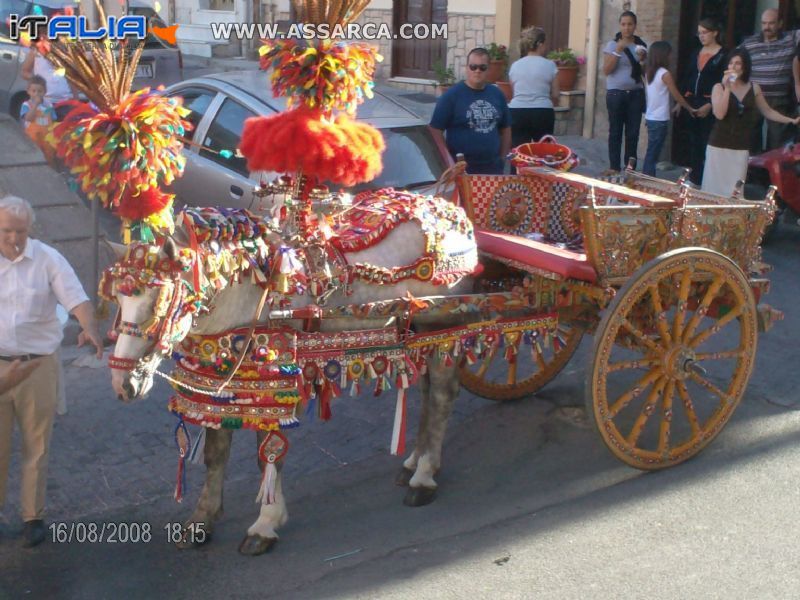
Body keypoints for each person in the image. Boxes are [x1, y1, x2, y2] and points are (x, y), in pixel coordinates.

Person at [0, 195, 103, 547]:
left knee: (36, 444)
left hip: (38, 365)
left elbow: (76, 298)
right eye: (7, 231)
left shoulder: (47, 258)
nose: (14, 239)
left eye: (21, 232)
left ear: (31, 230)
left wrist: (89, 326)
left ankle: (33, 516)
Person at [702, 49, 800, 196]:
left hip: (740, 145)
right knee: (713, 188)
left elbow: (767, 111)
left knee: (735, 190)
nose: (734, 67)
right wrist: (727, 88)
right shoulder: (719, 87)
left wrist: (791, 120)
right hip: (719, 144)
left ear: (745, 66)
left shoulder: (753, 87)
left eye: (738, 63)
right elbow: (720, 114)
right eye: (731, 63)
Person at [430, 47, 511, 174]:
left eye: (482, 67)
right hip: (462, 170)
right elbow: (435, 129)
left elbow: (506, 128)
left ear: (488, 69)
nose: (477, 71)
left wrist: (502, 158)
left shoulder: (497, 94)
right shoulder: (451, 96)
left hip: (493, 169)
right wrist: (448, 161)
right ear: (467, 68)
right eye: (473, 67)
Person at [739, 8, 800, 153]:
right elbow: (735, 62)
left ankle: (774, 175)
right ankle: (752, 174)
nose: (767, 27)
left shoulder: (791, 38)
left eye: (771, 23)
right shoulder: (749, 43)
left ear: (780, 23)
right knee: (750, 140)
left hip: (778, 100)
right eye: (764, 23)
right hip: (754, 98)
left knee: (778, 142)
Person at [676, 19, 727, 185]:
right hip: (692, 103)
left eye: (705, 32)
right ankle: (695, 178)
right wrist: (681, 101)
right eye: (699, 33)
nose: (701, 36)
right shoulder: (695, 53)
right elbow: (687, 77)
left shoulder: (723, 55)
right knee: (693, 142)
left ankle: (709, 180)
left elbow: (726, 82)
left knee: (708, 143)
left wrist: (711, 104)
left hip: (710, 102)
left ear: (715, 33)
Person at [642, 41, 696, 177]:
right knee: (653, 152)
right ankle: (647, 178)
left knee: (652, 150)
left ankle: (647, 176)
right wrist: (689, 108)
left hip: (651, 116)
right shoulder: (665, 74)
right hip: (660, 118)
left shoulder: (649, 71)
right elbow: (676, 94)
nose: (671, 56)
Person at [602, 10, 647, 172]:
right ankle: (614, 166)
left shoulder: (641, 46)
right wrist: (618, 51)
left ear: (635, 26)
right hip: (616, 94)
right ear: (620, 26)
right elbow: (607, 70)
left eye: (630, 24)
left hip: (635, 94)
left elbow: (644, 74)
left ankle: (630, 168)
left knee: (633, 133)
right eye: (623, 24)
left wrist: (642, 61)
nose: (626, 28)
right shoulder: (612, 45)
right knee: (615, 131)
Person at [508, 26, 559, 148]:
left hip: (518, 111)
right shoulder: (550, 65)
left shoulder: (515, 66)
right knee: (543, 152)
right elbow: (556, 94)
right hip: (542, 112)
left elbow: (513, 92)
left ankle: (518, 168)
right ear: (540, 44)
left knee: (519, 152)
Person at [21, 42, 76, 121]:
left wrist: (76, 100)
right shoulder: (36, 50)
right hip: (43, 102)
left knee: (64, 132)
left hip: (65, 103)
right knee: (43, 131)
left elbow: (72, 78)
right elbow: (25, 72)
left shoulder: (67, 51)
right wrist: (37, 81)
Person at [20, 75, 57, 166]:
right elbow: (28, 118)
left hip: (47, 137)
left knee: (49, 156)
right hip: (32, 137)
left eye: (40, 91)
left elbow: (53, 119)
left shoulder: (48, 105)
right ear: (28, 91)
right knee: (34, 157)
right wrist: (35, 105)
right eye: (34, 91)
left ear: (45, 92)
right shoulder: (26, 105)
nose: (37, 94)